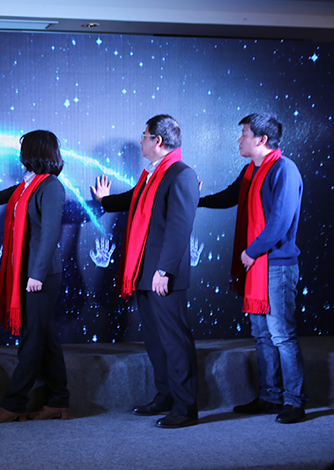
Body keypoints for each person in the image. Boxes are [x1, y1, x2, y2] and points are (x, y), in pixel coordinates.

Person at [91, 114, 199, 428]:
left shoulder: (181, 174)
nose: (141, 141)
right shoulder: (152, 174)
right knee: (154, 339)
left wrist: (164, 270)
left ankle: (185, 407)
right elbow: (134, 199)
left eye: (144, 135)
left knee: (174, 340)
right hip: (143, 271)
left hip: (163, 275)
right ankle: (165, 395)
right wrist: (106, 200)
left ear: (158, 141)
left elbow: (180, 227)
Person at [199, 113, 305, 424]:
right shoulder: (251, 171)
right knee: (262, 334)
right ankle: (270, 396)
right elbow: (229, 197)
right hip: (257, 266)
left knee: (281, 335)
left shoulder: (284, 169)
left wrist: (251, 251)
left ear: (261, 139)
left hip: (276, 265)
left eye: (244, 134)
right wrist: (196, 200)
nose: (239, 139)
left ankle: (294, 401)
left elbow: (280, 221)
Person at [0, 130, 71, 423]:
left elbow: (50, 234)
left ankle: (15, 403)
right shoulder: (27, 184)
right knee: (45, 337)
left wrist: (37, 274)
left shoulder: (51, 186)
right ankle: (59, 400)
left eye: (23, 148)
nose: (19, 154)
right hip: (28, 272)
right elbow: (4, 199)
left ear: (33, 151)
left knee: (32, 339)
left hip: (40, 276)